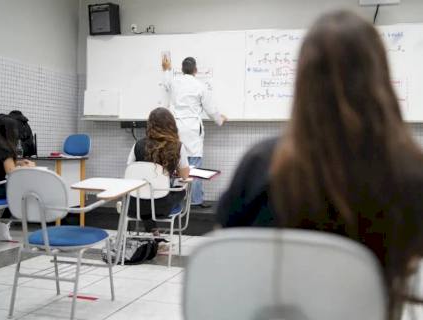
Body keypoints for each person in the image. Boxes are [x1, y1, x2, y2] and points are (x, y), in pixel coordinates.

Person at [217, 10, 423, 319]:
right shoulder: (409, 170)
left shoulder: (261, 164)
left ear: (304, 79)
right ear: (379, 78)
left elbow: (226, 251)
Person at [162, 56, 227, 208]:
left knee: (174, 163)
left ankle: (172, 198)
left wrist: (166, 69)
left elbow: (166, 83)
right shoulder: (200, 86)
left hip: (176, 127)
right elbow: (210, 109)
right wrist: (220, 120)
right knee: (194, 167)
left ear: (182, 69)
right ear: (195, 70)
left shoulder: (174, 82)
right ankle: (196, 200)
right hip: (192, 129)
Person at [127, 107, 190, 233]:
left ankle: (154, 236)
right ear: (171, 125)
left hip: (135, 205)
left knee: (146, 192)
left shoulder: (138, 145)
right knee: (183, 190)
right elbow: (185, 175)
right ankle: (156, 238)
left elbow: (130, 170)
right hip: (162, 207)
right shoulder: (177, 146)